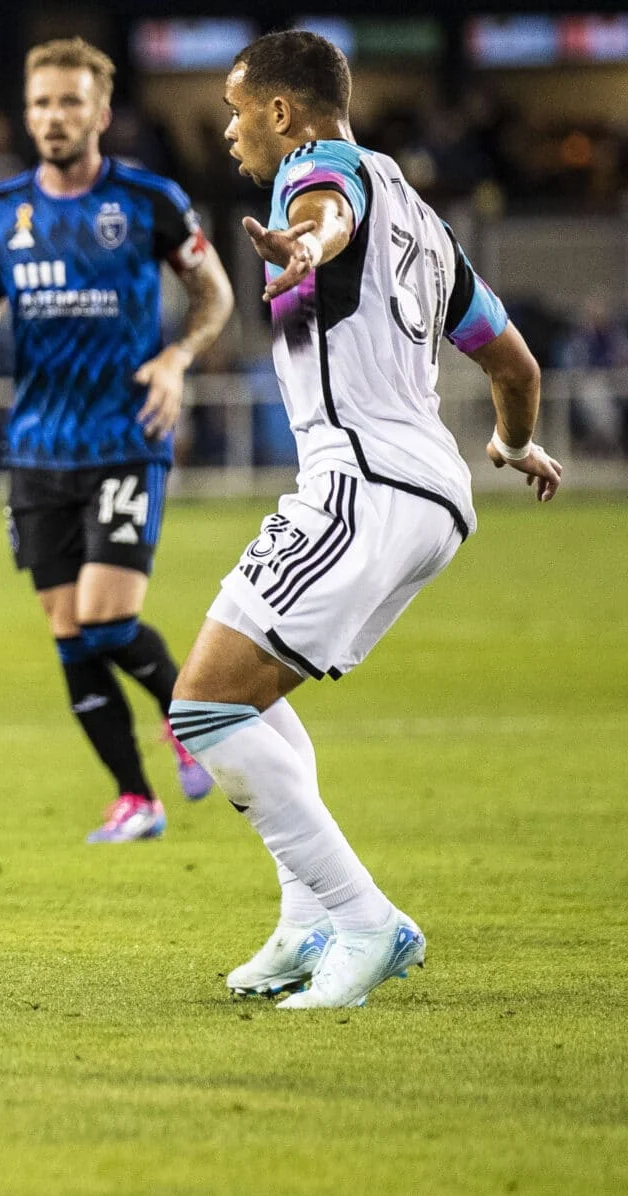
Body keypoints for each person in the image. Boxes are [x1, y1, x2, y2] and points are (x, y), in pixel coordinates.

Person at [168, 30, 562, 1009]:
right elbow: (513, 365)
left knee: (201, 706)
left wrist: (300, 244)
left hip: (364, 480)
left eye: (233, 108)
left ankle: (359, 918)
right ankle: (304, 922)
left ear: (280, 111)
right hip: (422, 491)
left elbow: (322, 214)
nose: (226, 130)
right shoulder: (425, 222)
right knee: (245, 694)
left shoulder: (317, 172)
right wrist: (512, 443)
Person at [0, 38, 236, 843]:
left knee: (105, 623)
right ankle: (135, 798)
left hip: (123, 435)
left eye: (69, 102)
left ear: (100, 113)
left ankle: (186, 722)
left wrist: (176, 360)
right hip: (36, 449)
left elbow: (214, 292)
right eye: (40, 104)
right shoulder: (1, 211)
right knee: (69, 636)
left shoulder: (148, 199)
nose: (53, 117)